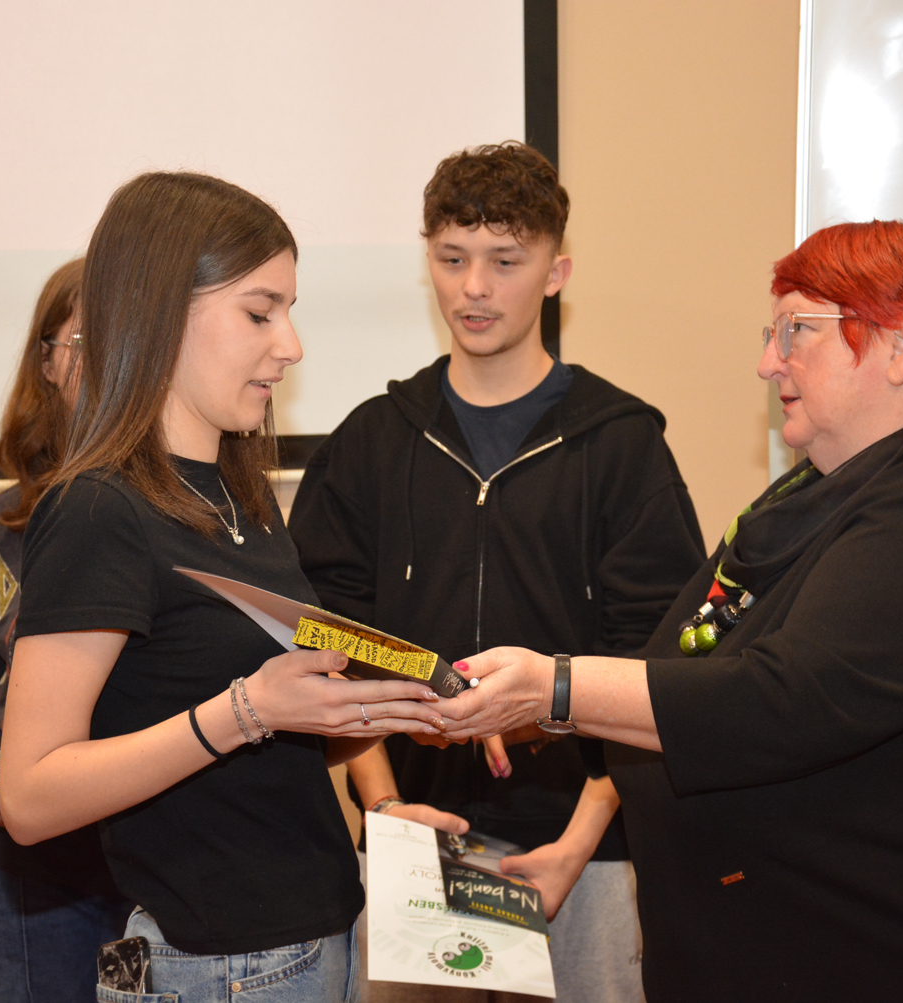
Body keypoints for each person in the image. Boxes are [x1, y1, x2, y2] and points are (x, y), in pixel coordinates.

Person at [434, 220, 903, 1001]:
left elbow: (784, 699)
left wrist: (554, 686)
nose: (768, 363)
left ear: (899, 346)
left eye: (797, 331)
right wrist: (538, 717)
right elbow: (676, 674)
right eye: (772, 334)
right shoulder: (801, 503)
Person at [0, 171, 447, 1003]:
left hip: (313, 938)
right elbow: (30, 795)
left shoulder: (241, 494)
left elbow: (272, 736)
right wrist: (247, 709)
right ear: (163, 311)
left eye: (289, 310)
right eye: (259, 312)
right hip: (215, 964)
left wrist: (402, 705)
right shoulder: (98, 508)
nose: (291, 345)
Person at [288, 142, 705, 1002]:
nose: (474, 287)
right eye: (452, 259)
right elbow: (329, 646)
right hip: (411, 846)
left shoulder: (623, 445)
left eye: (505, 261)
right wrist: (384, 810)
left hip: (582, 853)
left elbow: (659, 667)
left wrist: (580, 840)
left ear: (556, 273)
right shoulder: (371, 441)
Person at [0, 257, 134, 1002]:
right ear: (46, 362)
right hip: (27, 875)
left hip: (159, 867)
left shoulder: (181, 521)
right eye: (83, 342)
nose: (104, 363)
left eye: (127, 339)